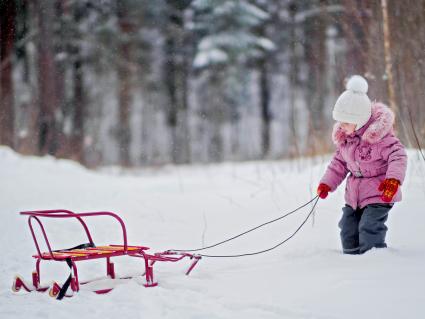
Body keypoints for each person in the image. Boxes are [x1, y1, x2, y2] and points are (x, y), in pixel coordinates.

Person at [317, 75, 407, 254]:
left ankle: (373, 261)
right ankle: (351, 261)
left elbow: (398, 156)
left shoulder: (380, 138)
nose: (341, 126)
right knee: (348, 228)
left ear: (361, 120)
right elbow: (338, 164)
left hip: (380, 192)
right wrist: (327, 183)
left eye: (346, 122)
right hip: (355, 196)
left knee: (369, 226)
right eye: (339, 122)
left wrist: (393, 180)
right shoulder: (346, 141)